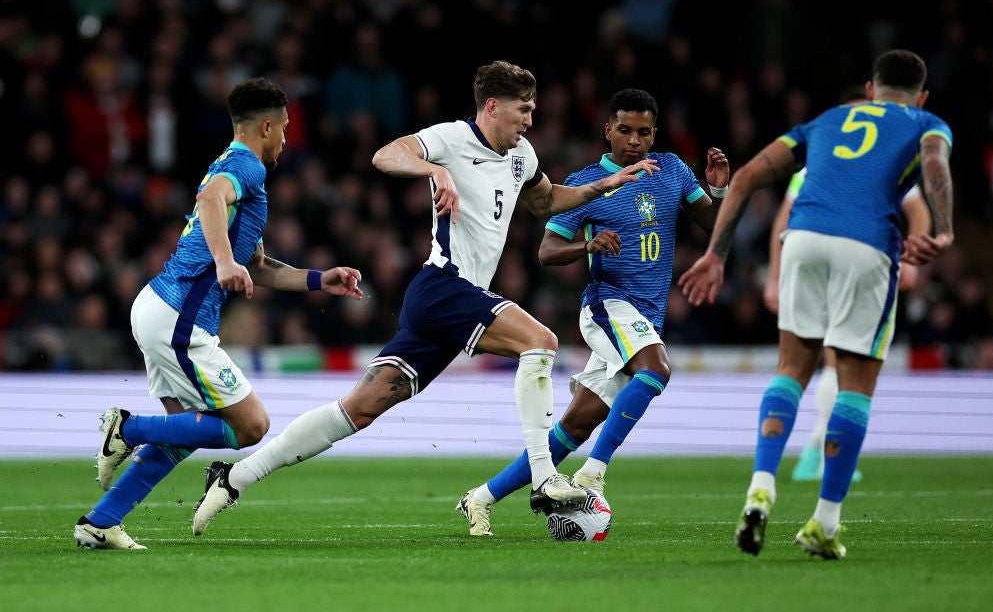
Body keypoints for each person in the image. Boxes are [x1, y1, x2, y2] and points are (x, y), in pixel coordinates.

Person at [191, 61, 659, 536]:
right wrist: (434, 169)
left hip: (450, 303)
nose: (530, 120)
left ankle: (236, 475)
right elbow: (385, 156)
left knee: (358, 409)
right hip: (443, 287)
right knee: (539, 341)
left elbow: (545, 201)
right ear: (492, 107)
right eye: (523, 109)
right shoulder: (453, 138)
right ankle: (544, 477)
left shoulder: (522, 155)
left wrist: (603, 185)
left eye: (533, 110)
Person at [679, 49, 954, 559]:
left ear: (869, 91)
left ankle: (761, 485)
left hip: (800, 239)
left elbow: (743, 180)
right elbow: (934, 163)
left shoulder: (825, 121)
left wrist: (716, 255)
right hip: (868, 244)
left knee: (791, 369)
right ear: (921, 96)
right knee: (855, 381)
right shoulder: (926, 122)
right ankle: (825, 522)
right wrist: (945, 228)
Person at [73, 78, 365, 550]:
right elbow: (211, 201)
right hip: (178, 316)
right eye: (285, 128)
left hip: (160, 309)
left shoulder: (236, 169)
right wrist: (225, 262)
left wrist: (319, 279)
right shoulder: (245, 165)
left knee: (182, 431)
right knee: (251, 426)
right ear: (266, 127)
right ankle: (126, 428)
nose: (288, 139)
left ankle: (100, 522)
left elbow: (261, 267)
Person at [457, 88, 729, 536]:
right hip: (608, 305)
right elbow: (546, 250)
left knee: (574, 427)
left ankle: (481, 498)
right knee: (657, 369)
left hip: (646, 317)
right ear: (608, 130)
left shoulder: (674, 172)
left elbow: (714, 228)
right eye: (624, 130)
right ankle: (593, 472)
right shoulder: (589, 182)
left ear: (654, 133)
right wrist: (587, 244)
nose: (634, 140)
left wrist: (717, 188)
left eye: (644, 132)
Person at [765, 164, 932, 482]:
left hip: (840, 262)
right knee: (842, 359)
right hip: (857, 261)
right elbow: (918, 210)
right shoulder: (885, 158)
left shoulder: (823, 158)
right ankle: (830, 453)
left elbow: (782, 221)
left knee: (835, 360)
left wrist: (911, 257)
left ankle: (816, 449)